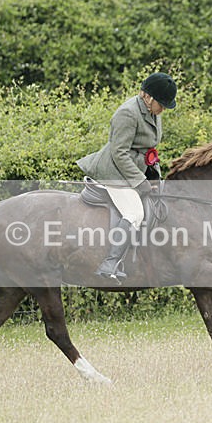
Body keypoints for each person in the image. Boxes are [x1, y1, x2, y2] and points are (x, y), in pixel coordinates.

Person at [76, 72, 177, 281]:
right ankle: (110, 263)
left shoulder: (152, 113)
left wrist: (153, 178)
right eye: (162, 104)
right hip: (113, 171)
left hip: (134, 168)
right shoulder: (128, 113)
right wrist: (140, 183)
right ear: (148, 97)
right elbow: (119, 153)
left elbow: (146, 149)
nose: (164, 109)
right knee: (135, 214)